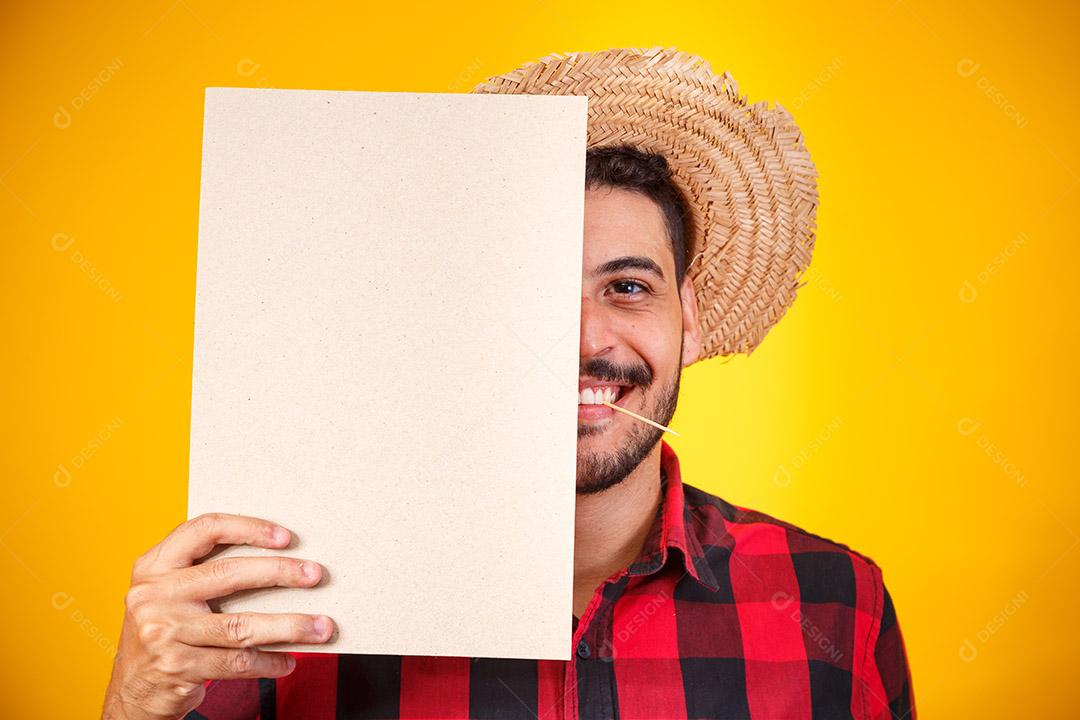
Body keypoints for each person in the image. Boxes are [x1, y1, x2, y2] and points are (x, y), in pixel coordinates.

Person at [102, 47, 915, 720]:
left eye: (627, 286)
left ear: (688, 317)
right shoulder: (277, 612)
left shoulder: (832, 602)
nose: (587, 340)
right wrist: (135, 701)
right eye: (532, 292)